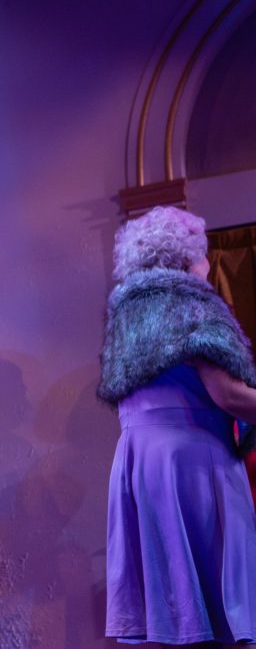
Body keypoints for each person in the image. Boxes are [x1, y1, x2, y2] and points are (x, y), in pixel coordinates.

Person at [99, 205, 256, 646]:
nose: (206, 264)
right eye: (203, 253)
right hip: (191, 460)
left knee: (176, 613)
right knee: (220, 609)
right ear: (187, 257)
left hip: (139, 462)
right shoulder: (192, 302)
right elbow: (229, 395)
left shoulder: (125, 312)